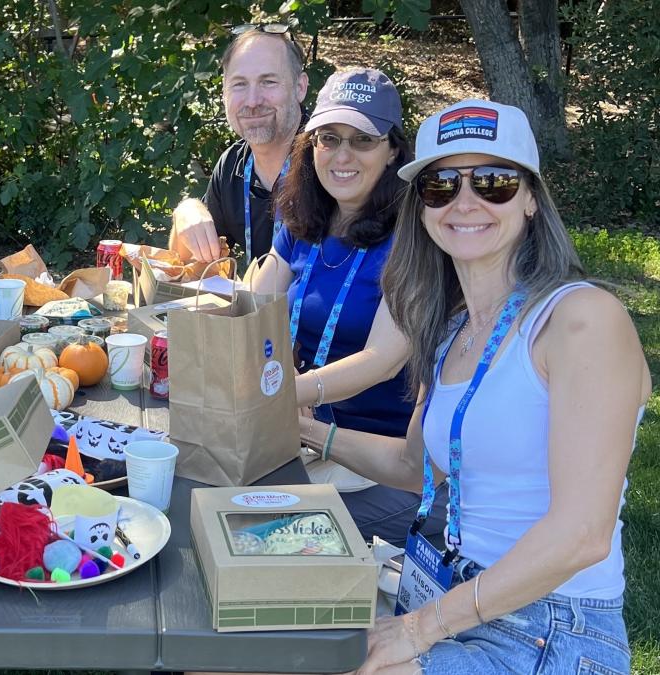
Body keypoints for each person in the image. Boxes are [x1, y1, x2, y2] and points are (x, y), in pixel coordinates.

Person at [304, 100, 648, 673]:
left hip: (546, 626)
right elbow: (416, 466)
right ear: (421, 207)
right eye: (441, 184)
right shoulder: (451, 328)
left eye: (494, 182)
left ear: (532, 198)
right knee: (237, 644)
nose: (466, 202)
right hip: (447, 596)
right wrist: (304, 428)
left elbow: (582, 533)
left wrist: (418, 629)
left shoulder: (582, 319)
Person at [247, 67, 446, 548]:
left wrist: (275, 396)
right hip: (298, 435)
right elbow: (258, 302)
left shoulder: (415, 236)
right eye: (329, 138)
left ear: (393, 149)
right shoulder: (303, 214)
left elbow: (383, 359)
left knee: (253, 527)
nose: (341, 156)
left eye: (362, 140)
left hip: (378, 462)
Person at [169, 25, 308, 267]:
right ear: (224, 93)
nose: (253, 101)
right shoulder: (233, 165)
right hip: (259, 305)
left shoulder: (331, 159)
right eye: (240, 84)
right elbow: (187, 267)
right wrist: (186, 212)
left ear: (300, 88)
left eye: (268, 82)